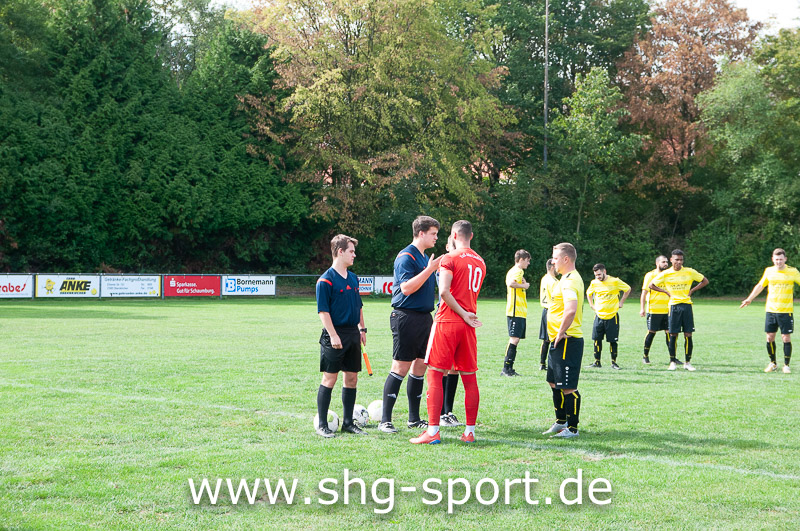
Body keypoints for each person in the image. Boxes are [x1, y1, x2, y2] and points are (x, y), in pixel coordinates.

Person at [411, 220, 485, 444]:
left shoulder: (449, 258)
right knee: (469, 378)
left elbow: (444, 291)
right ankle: (469, 432)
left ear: (453, 235)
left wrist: (462, 313)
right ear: (471, 236)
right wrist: (467, 315)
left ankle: (432, 431)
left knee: (434, 373)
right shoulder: (480, 261)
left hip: (448, 321)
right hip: (469, 325)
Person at [379, 216, 443, 434]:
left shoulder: (425, 257)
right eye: (433, 233)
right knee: (400, 367)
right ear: (421, 233)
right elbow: (406, 288)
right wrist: (430, 270)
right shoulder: (406, 256)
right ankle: (385, 420)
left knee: (420, 367)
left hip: (424, 318)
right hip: (405, 317)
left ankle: (413, 419)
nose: (436, 237)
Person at [315, 234, 368, 437]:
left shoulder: (353, 278)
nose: (354, 255)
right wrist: (333, 335)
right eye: (351, 251)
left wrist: (362, 329)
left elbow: (359, 306)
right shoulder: (325, 281)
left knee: (351, 378)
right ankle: (322, 425)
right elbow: (323, 311)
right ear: (340, 251)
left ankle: (348, 423)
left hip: (352, 334)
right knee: (330, 378)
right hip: (334, 335)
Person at [542, 243, 585, 439]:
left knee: (568, 386)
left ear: (566, 259)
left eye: (556, 258)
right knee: (553, 382)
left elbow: (571, 309)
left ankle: (573, 428)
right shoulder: (565, 279)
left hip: (568, 339)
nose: (553, 262)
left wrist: (560, 332)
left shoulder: (570, 281)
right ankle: (561, 421)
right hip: (557, 340)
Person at [740, 248, 800, 374]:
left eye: (781, 259)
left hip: (786, 310)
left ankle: (786, 365)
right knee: (770, 337)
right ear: (773, 259)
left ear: (785, 259)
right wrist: (749, 299)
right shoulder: (769, 271)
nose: (779, 262)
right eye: (776, 259)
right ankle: (773, 363)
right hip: (771, 310)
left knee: (785, 337)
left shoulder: (793, 271)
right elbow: (760, 285)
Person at [649, 249, 709, 371]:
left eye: (681, 260)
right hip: (674, 306)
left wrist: (692, 290)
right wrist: (665, 292)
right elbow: (651, 285)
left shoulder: (689, 271)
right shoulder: (666, 274)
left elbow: (705, 281)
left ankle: (687, 362)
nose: (679, 262)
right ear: (671, 260)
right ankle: (672, 362)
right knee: (673, 334)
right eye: (676, 259)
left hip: (686, 305)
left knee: (688, 334)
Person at [586, 264, 631, 369]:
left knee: (612, 340)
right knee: (596, 340)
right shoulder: (594, 283)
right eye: (596, 275)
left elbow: (627, 289)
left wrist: (621, 302)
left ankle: (614, 363)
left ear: (604, 271)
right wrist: (591, 305)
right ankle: (597, 362)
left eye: (599, 274)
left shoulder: (615, 281)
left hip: (612, 316)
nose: (598, 277)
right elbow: (588, 293)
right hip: (599, 316)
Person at [439, 235, 463, 427]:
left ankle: (448, 411)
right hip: (446, 319)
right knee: (443, 367)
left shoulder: (460, 264)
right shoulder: (446, 263)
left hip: (460, 319)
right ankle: (440, 413)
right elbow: (444, 292)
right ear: (448, 247)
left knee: (455, 367)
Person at [502, 249, 532, 376]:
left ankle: (509, 368)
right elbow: (511, 283)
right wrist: (524, 286)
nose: (528, 263)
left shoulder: (513, 271)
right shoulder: (518, 271)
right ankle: (506, 368)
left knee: (515, 339)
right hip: (515, 311)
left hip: (518, 311)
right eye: (527, 260)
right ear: (521, 259)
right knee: (514, 339)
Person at [640, 255, 671, 364]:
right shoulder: (650, 275)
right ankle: (645, 356)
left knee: (670, 333)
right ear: (657, 263)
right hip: (654, 309)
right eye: (663, 262)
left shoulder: (669, 274)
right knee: (652, 332)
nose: (665, 264)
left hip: (668, 309)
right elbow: (644, 293)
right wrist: (642, 308)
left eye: (666, 262)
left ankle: (672, 357)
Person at [538, 259, 559, 371]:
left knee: (545, 339)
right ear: (552, 267)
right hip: (552, 311)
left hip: (545, 311)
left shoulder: (544, 278)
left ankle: (542, 363)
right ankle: (554, 364)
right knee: (554, 338)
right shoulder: (555, 282)